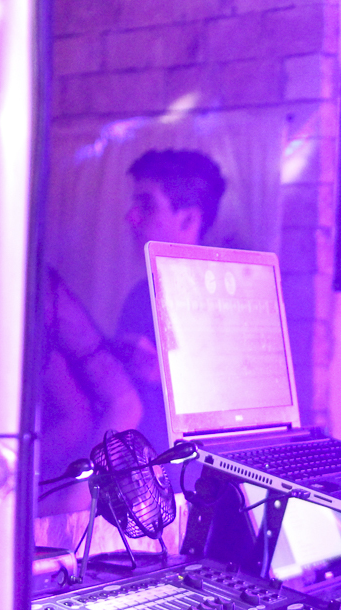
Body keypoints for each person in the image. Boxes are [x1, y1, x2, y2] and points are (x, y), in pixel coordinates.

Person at [113, 149, 226, 456]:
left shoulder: (230, 299)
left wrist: (163, 380)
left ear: (189, 219)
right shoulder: (141, 296)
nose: (130, 217)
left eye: (146, 205)